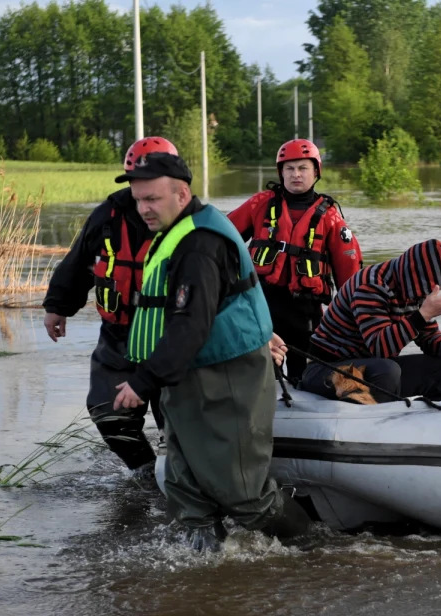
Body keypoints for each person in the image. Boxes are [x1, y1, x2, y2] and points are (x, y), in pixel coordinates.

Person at [109, 148, 309, 552]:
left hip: (227, 375)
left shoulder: (198, 244)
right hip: (186, 372)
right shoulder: (177, 229)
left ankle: (314, 550)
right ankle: (203, 569)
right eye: (138, 199)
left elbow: (191, 323)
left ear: (181, 195)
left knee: (245, 495)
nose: (143, 208)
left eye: (152, 199)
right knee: (187, 487)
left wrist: (144, 381)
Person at [43, 137, 175, 474]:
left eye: (153, 184)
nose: (143, 193)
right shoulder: (107, 217)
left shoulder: (190, 222)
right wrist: (58, 306)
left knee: (178, 422)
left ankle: (179, 475)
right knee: (108, 412)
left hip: (173, 336)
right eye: (137, 182)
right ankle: (146, 473)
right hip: (119, 335)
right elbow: (78, 262)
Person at [302, 239, 441, 402]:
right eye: (430, 285)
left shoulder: (411, 291)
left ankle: (429, 422)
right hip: (327, 368)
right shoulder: (370, 286)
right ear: (414, 275)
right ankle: (373, 423)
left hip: (368, 367)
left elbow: (430, 339)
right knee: (387, 370)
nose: (431, 292)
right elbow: (380, 348)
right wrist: (423, 315)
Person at [228, 138, 363, 382]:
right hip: (262, 307)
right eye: (289, 168)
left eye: (302, 168)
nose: (296, 175)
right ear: (281, 172)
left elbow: (350, 278)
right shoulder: (260, 204)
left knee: (306, 375)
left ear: (315, 172)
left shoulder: (330, 218)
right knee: (263, 373)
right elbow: (222, 238)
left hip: (306, 311)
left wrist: (353, 320)